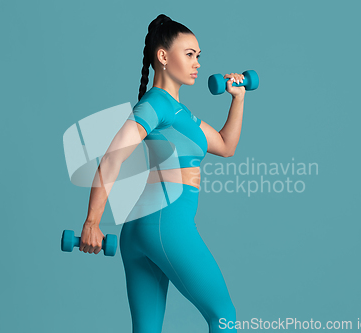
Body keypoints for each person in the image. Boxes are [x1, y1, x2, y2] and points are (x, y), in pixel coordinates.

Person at [79, 13, 246, 333]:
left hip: (139, 231)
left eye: (199, 56)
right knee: (223, 313)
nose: (197, 62)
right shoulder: (157, 104)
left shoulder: (180, 112)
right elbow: (112, 158)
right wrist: (92, 221)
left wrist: (237, 100)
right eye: (189, 54)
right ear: (163, 57)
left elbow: (225, 146)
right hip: (167, 225)